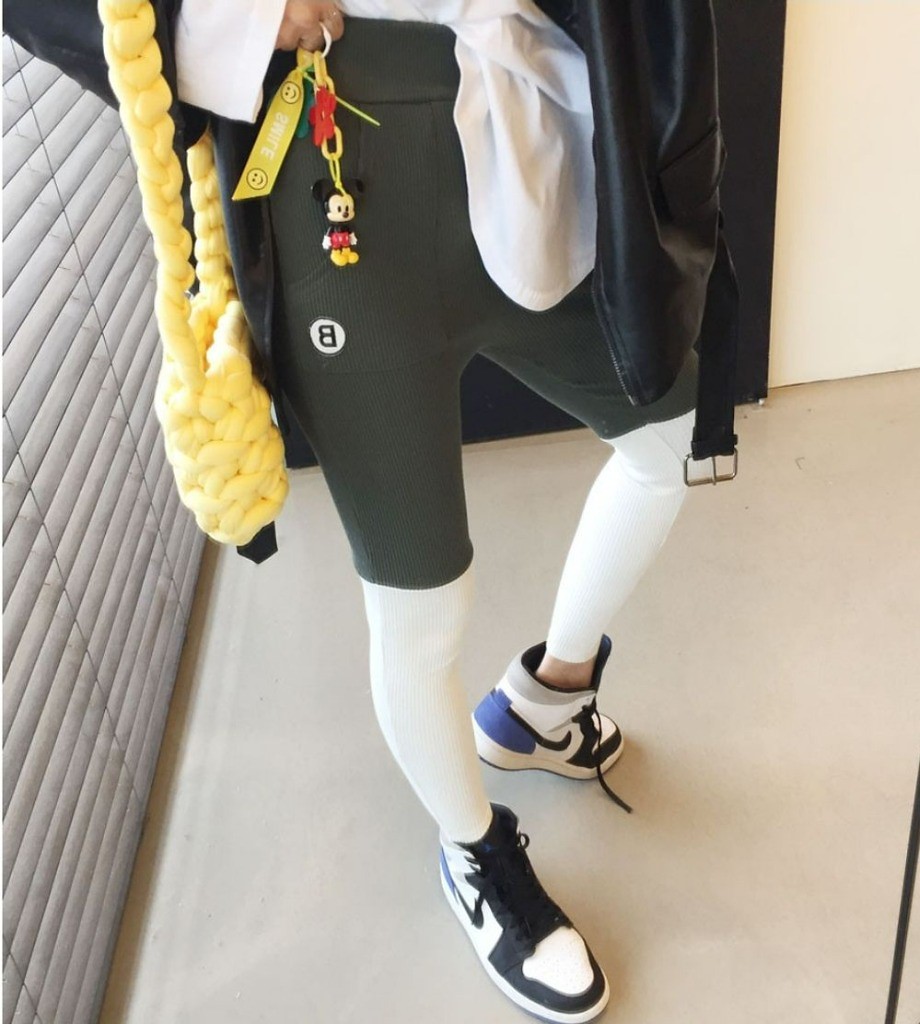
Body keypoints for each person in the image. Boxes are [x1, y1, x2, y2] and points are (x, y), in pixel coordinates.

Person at [174, 2, 702, 1020]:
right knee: (420, 602)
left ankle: (545, 699)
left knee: (669, 433)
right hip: (332, 172)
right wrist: (248, 19)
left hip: (528, 114)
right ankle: (473, 849)